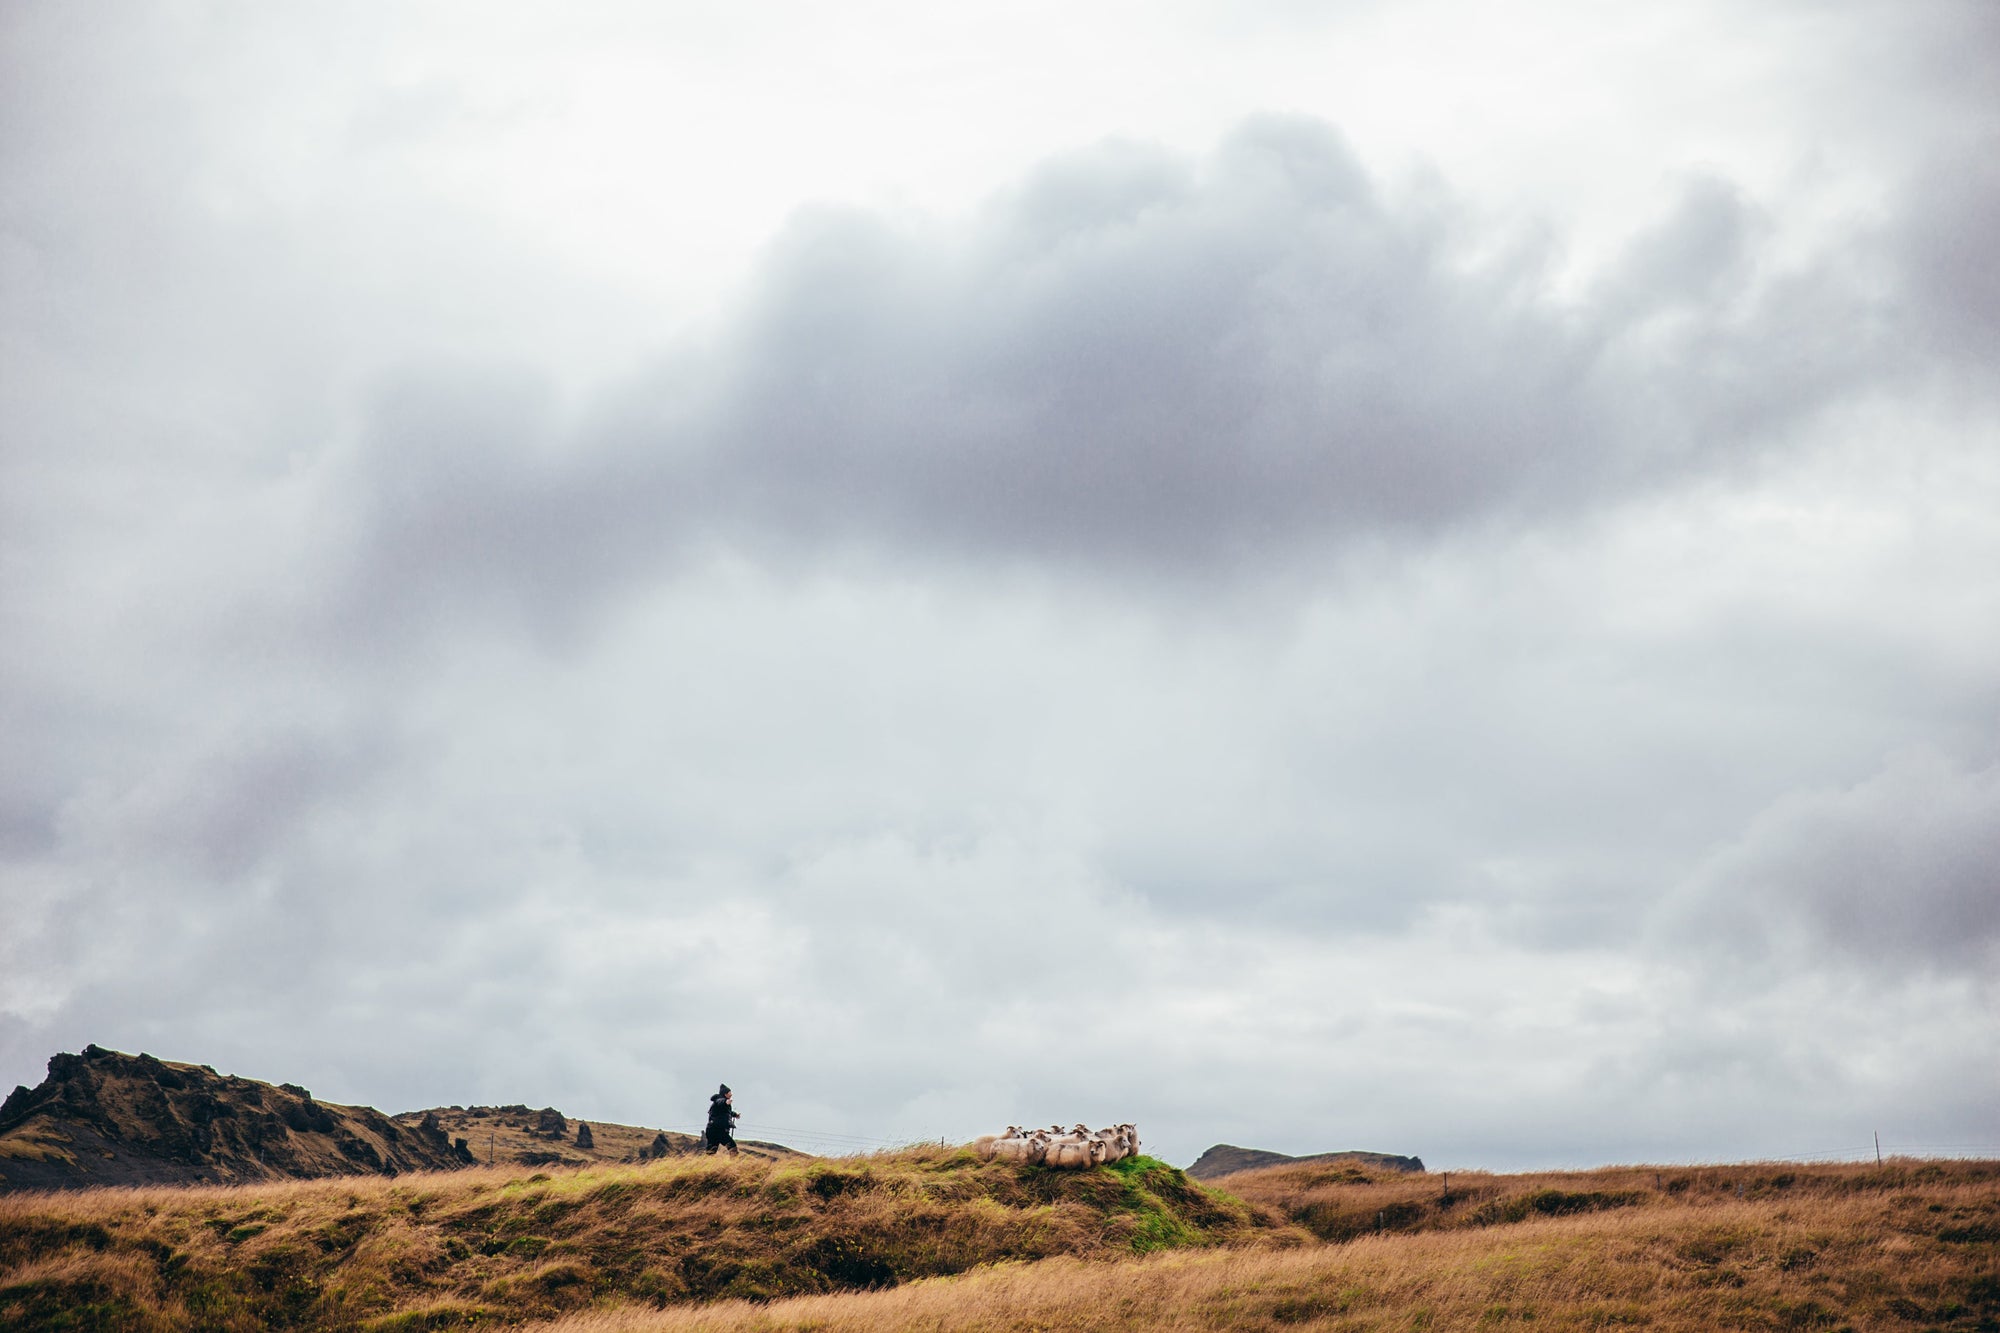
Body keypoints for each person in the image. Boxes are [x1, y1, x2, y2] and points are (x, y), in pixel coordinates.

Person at [704, 1083, 740, 1155]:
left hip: (714, 1129)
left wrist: (735, 1114)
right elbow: (720, 1102)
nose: (731, 1094)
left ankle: (706, 1164)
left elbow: (726, 1112)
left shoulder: (721, 1103)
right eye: (730, 1093)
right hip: (717, 1130)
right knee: (732, 1147)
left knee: (711, 1152)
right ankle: (733, 1165)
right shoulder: (719, 1100)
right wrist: (725, 1102)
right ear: (725, 1094)